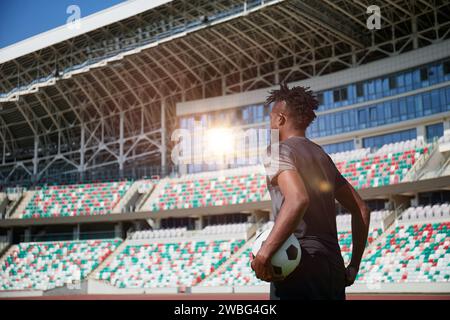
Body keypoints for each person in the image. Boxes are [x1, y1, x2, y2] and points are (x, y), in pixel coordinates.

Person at [251, 83, 371, 300]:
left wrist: (265, 252)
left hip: (299, 265)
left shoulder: (277, 151)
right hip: (333, 266)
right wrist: (353, 265)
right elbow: (362, 209)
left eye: (270, 119)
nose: (269, 124)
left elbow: (297, 199)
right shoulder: (323, 156)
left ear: (280, 119)